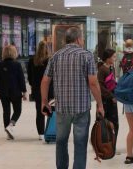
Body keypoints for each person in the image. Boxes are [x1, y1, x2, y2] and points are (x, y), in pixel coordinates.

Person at [40, 27, 104, 169]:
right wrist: (100, 104)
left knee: (61, 142)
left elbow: (45, 81)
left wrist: (44, 101)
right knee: (80, 143)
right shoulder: (86, 56)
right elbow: (93, 83)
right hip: (81, 108)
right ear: (78, 39)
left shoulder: (56, 56)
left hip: (62, 108)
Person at [0, 45, 27, 140]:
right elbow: (21, 79)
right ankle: (11, 125)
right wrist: (24, 92)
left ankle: (8, 133)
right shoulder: (17, 65)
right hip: (15, 92)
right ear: (14, 53)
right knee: (17, 110)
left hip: (3, 92)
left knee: (6, 111)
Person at [27, 41, 54, 140]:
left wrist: (33, 85)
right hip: (49, 90)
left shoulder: (32, 61)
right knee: (51, 110)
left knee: (39, 112)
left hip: (37, 90)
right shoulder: (50, 60)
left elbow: (29, 77)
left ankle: (41, 133)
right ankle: (50, 130)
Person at [97, 49, 119, 149]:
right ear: (108, 58)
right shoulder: (102, 70)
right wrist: (111, 96)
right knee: (104, 122)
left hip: (112, 99)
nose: (115, 58)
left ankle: (112, 142)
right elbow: (100, 86)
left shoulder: (111, 68)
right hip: (105, 100)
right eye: (114, 57)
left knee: (114, 123)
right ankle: (102, 142)